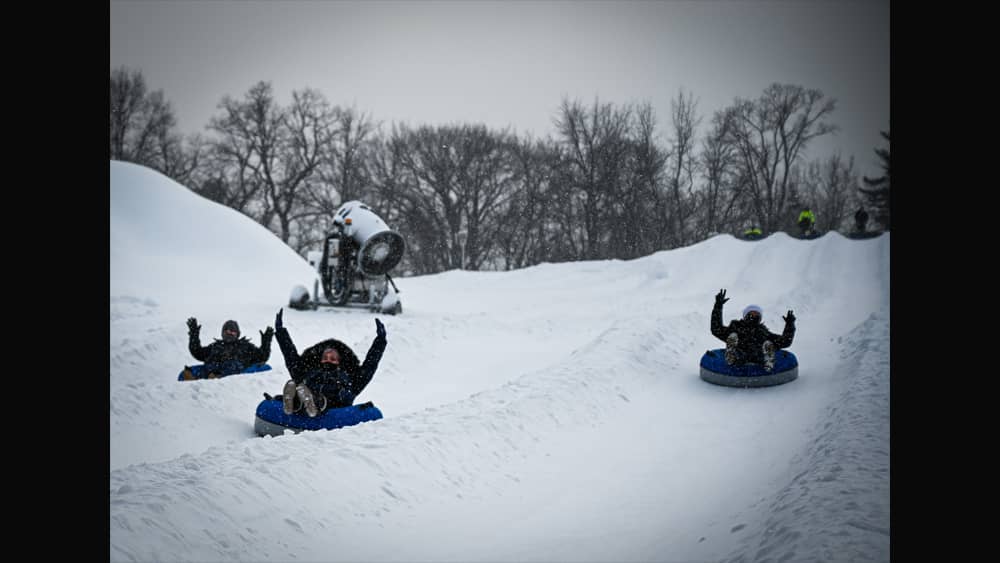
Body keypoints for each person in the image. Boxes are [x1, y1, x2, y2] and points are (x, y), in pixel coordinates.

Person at [272, 308, 387, 417]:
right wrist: (281, 332)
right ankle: (295, 403)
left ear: (338, 362)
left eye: (332, 358)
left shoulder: (349, 379)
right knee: (300, 385)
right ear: (321, 360)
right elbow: (290, 357)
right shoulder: (311, 373)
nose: (328, 360)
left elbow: (370, 365)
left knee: (322, 397)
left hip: (333, 406)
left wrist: (380, 341)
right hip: (307, 395)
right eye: (326, 357)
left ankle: (313, 404)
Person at [710, 289, 795, 371]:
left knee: (768, 343)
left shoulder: (763, 332)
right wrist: (718, 306)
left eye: (756, 314)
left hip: (759, 357)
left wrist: (790, 325)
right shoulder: (736, 327)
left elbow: (785, 341)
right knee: (732, 336)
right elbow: (716, 330)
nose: (753, 316)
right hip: (739, 355)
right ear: (745, 316)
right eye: (751, 314)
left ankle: (769, 362)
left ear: (760, 318)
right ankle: (731, 356)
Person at [184, 318, 273, 379]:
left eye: (232, 331)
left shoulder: (245, 346)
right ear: (222, 333)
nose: (229, 332)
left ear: (237, 334)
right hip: (212, 368)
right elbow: (197, 352)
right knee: (204, 367)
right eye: (226, 330)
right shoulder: (215, 346)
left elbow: (262, 357)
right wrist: (193, 336)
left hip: (233, 371)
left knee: (233, 364)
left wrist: (266, 343)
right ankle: (196, 376)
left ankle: (217, 376)